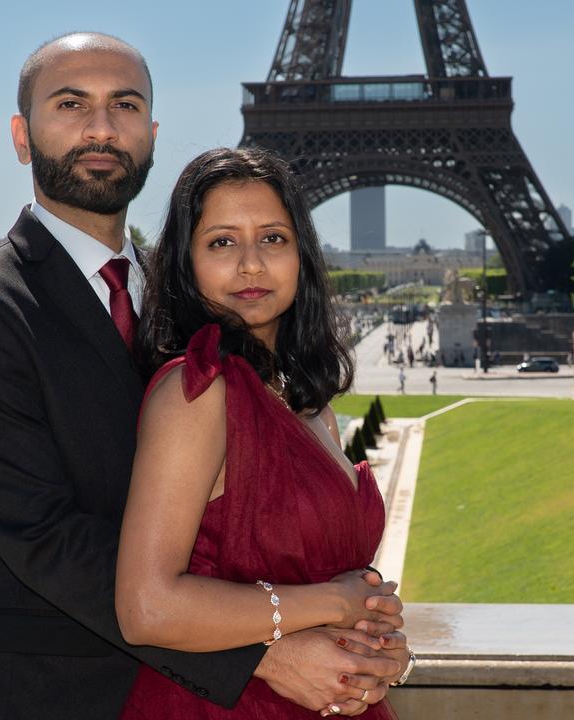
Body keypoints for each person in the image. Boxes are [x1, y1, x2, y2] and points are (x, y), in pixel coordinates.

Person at [0, 35, 398, 720]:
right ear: (22, 137)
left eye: (125, 104)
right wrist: (267, 647)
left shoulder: (197, 306)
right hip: (57, 696)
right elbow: (46, 536)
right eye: (70, 104)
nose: (102, 127)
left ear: (152, 133)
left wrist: (361, 628)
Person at [117, 148, 412, 718]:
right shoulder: (195, 393)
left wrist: (376, 644)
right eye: (222, 242)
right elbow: (146, 607)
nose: (251, 264)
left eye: (273, 238)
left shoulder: (310, 407)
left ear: (301, 254)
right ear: (186, 263)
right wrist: (334, 599)